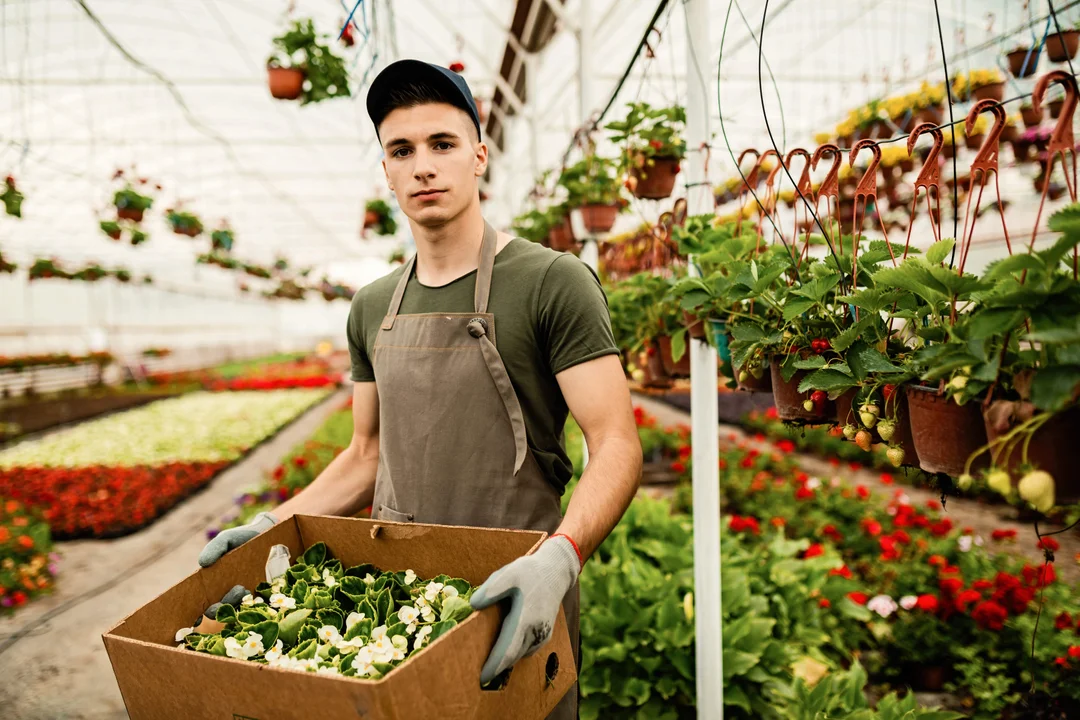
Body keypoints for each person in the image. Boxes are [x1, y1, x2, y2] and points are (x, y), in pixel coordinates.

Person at [199, 59, 642, 719]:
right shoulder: (373, 306)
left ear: (479, 156)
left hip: (516, 586)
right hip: (395, 599)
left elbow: (615, 441)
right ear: (386, 171)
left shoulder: (552, 282)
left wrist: (561, 556)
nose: (422, 166)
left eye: (443, 144)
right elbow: (366, 455)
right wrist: (274, 523)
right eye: (401, 151)